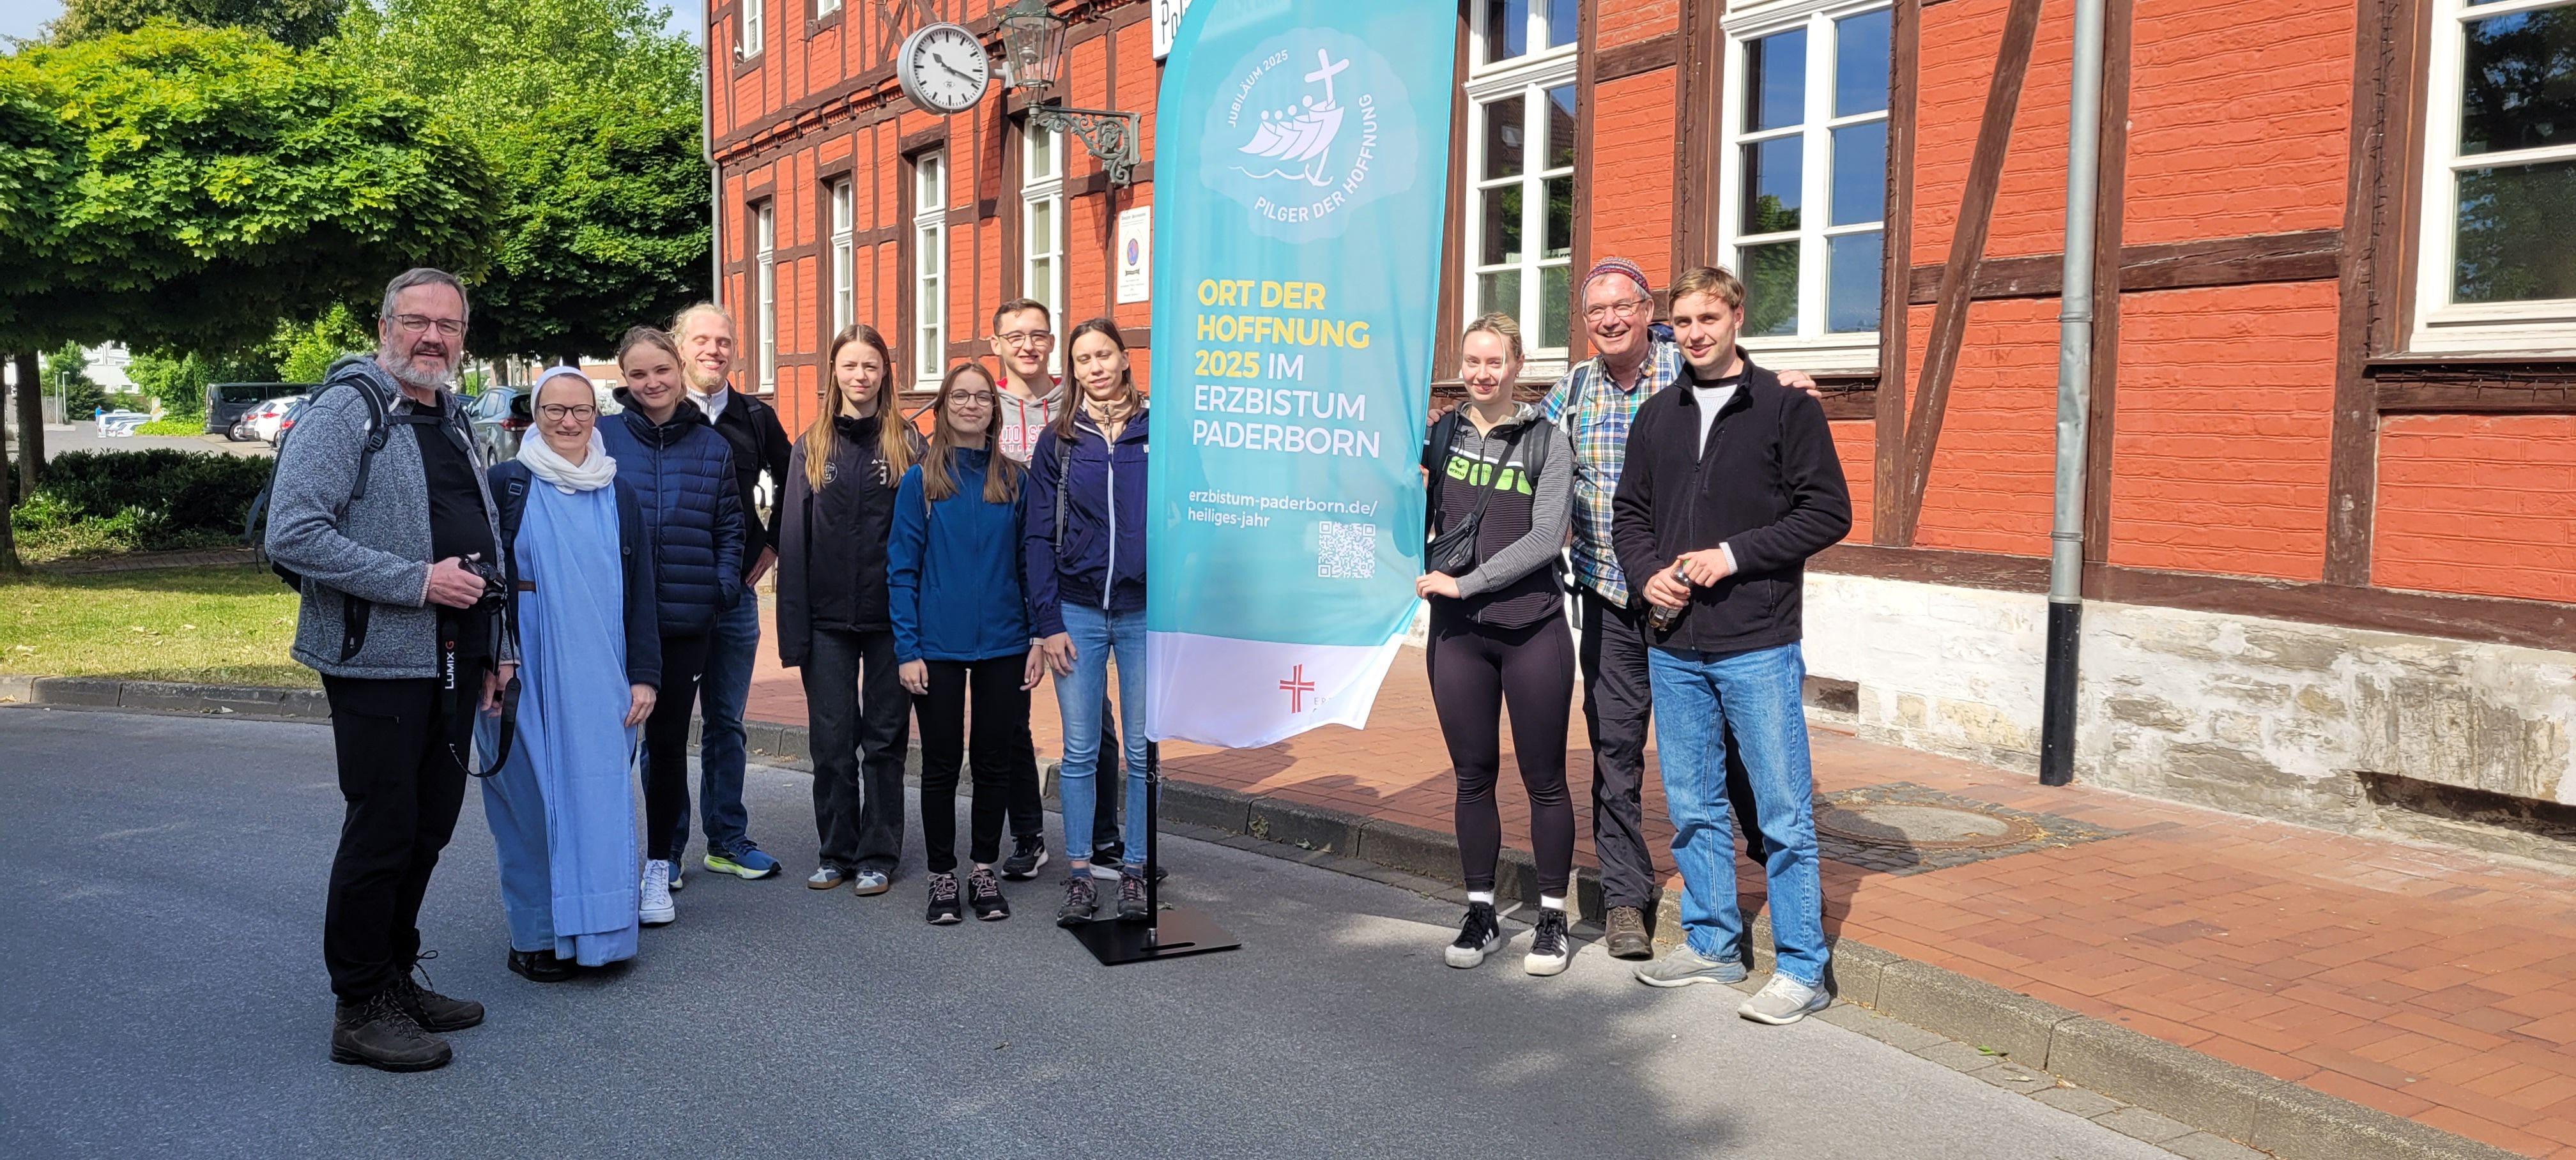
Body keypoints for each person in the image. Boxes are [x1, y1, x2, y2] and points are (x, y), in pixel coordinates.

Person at [267, 267, 510, 1072]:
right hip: (376, 659)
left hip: (456, 653)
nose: (432, 337)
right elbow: (292, 532)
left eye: (448, 325)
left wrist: (497, 645)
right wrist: (417, 581)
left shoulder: (452, 415)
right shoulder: (348, 411)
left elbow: (483, 537)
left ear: (463, 337)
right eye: (416, 321)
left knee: (429, 826)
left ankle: (394, 976)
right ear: (384, 327)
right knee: (384, 828)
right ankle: (359, 1004)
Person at [1544, 256, 1818, 961]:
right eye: (1596, 310)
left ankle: (1775, 874)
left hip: (1701, 603)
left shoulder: (1686, 366)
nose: (1610, 320)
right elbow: (1527, 457)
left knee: (1731, 752)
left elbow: (1746, 393)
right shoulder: (1572, 390)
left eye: (1623, 307)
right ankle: (1626, 898)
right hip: (1612, 593)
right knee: (1616, 751)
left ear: (1648, 313)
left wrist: (1789, 382)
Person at [1613, 266, 1851, 1023]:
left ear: (1737, 316)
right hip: (1674, 643)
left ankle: (1803, 968)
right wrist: (1647, 574)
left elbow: (1827, 512)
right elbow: (1630, 515)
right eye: (1683, 322)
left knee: (1782, 812)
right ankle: (1713, 944)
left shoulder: (1785, 406)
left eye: (1708, 318)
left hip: (1757, 641)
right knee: (1692, 806)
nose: (1695, 333)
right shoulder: (1657, 416)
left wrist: (1733, 555)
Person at [478, 368, 660, 982]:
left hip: (602, 675)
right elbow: (485, 582)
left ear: (596, 414)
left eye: (580, 410)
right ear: (535, 416)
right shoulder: (507, 485)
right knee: (529, 806)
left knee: (599, 801)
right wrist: (491, 659)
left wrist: (645, 675)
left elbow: (641, 591)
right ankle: (535, 937)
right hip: (522, 671)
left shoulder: (618, 492)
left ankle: (603, 936)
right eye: (554, 410)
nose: (568, 421)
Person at [1418, 314, 1579, 977]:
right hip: (1457, 635)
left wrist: (1468, 583)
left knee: (1544, 779)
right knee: (1472, 775)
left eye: (1495, 362)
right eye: (1472, 362)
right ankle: (1480, 912)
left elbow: (1546, 539)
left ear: (1517, 365)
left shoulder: (1549, 441)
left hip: (1531, 628)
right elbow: (1405, 507)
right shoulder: (1441, 434)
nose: (1482, 374)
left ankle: (1551, 918)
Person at [890, 361, 1047, 924]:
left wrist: (1036, 636)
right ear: (943, 406)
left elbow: (1031, 565)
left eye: (982, 397)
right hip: (936, 647)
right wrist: (907, 649)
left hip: (1005, 643)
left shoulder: (1015, 480)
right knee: (940, 763)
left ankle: (983, 868)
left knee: (994, 761)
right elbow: (901, 570)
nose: (971, 405)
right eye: (960, 396)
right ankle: (942, 874)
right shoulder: (921, 482)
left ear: (993, 410)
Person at [600, 326, 746, 928]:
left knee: (665, 749)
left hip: (686, 622)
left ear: (679, 370)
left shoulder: (712, 446)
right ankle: (603, 867)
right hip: (611, 621)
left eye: (661, 370)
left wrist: (718, 590)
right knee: (604, 750)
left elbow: (731, 527)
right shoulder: (603, 437)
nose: (651, 383)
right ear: (624, 380)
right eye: (638, 374)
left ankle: (659, 866)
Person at [776, 324, 921, 897]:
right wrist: (794, 632)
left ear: (885, 373)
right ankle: (836, 851)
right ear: (833, 373)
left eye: (871, 366)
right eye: (850, 365)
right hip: (827, 622)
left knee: (884, 742)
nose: (861, 376)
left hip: (892, 620)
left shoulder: (907, 444)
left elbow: (922, 537)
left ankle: (878, 854)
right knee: (832, 744)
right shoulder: (811, 446)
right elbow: (793, 540)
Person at [988, 297, 1120, 880]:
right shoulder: (980, 403)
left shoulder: (1080, 399)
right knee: (1011, 714)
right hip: (1001, 579)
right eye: (1015, 336)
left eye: (1039, 335)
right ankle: (1028, 834)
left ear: (1052, 342)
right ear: (996, 344)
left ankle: (1104, 836)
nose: (1028, 345)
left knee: (1096, 718)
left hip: (1072, 582)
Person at [1026, 317, 1150, 926]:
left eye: (1105, 355)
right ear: (1072, 370)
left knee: (1144, 751)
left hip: (1145, 612)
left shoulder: (1159, 433)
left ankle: (1136, 869)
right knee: (1079, 750)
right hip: (1076, 610)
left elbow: (1188, 517)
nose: (1096, 367)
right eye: (1083, 359)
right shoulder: (1059, 440)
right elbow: (1035, 537)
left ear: (1124, 359)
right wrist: (1047, 621)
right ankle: (1079, 874)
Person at [668, 303, 792, 881]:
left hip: (736, 595)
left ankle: (726, 840)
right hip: (670, 595)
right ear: (679, 346)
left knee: (727, 722)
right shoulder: (660, 409)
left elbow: (793, 481)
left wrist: (772, 543)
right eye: (702, 340)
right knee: (666, 726)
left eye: (723, 341)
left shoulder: (754, 417)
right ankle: (664, 851)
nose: (713, 350)